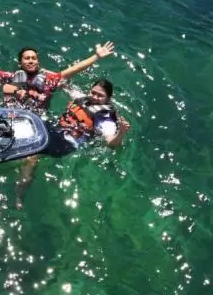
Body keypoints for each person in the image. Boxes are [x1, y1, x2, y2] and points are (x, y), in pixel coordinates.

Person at [15, 79, 130, 207]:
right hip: (56, 130)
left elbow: (111, 143)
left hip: (67, 144)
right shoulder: (83, 99)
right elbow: (67, 88)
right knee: (29, 120)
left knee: (33, 153)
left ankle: (20, 192)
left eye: (100, 96)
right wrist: (59, 82)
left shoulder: (105, 120)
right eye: (93, 93)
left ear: (108, 98)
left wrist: (121, 132)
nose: (95, 97)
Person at [0, 42, 116, 112]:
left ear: (38, 61)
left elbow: (74, 69)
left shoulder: (50, 79)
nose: (31, 60)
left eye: (34, 58)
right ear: (20, 62)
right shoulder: (13, 76)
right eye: (27, 58)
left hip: (38, 115)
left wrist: (97, 57)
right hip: (13, 111)